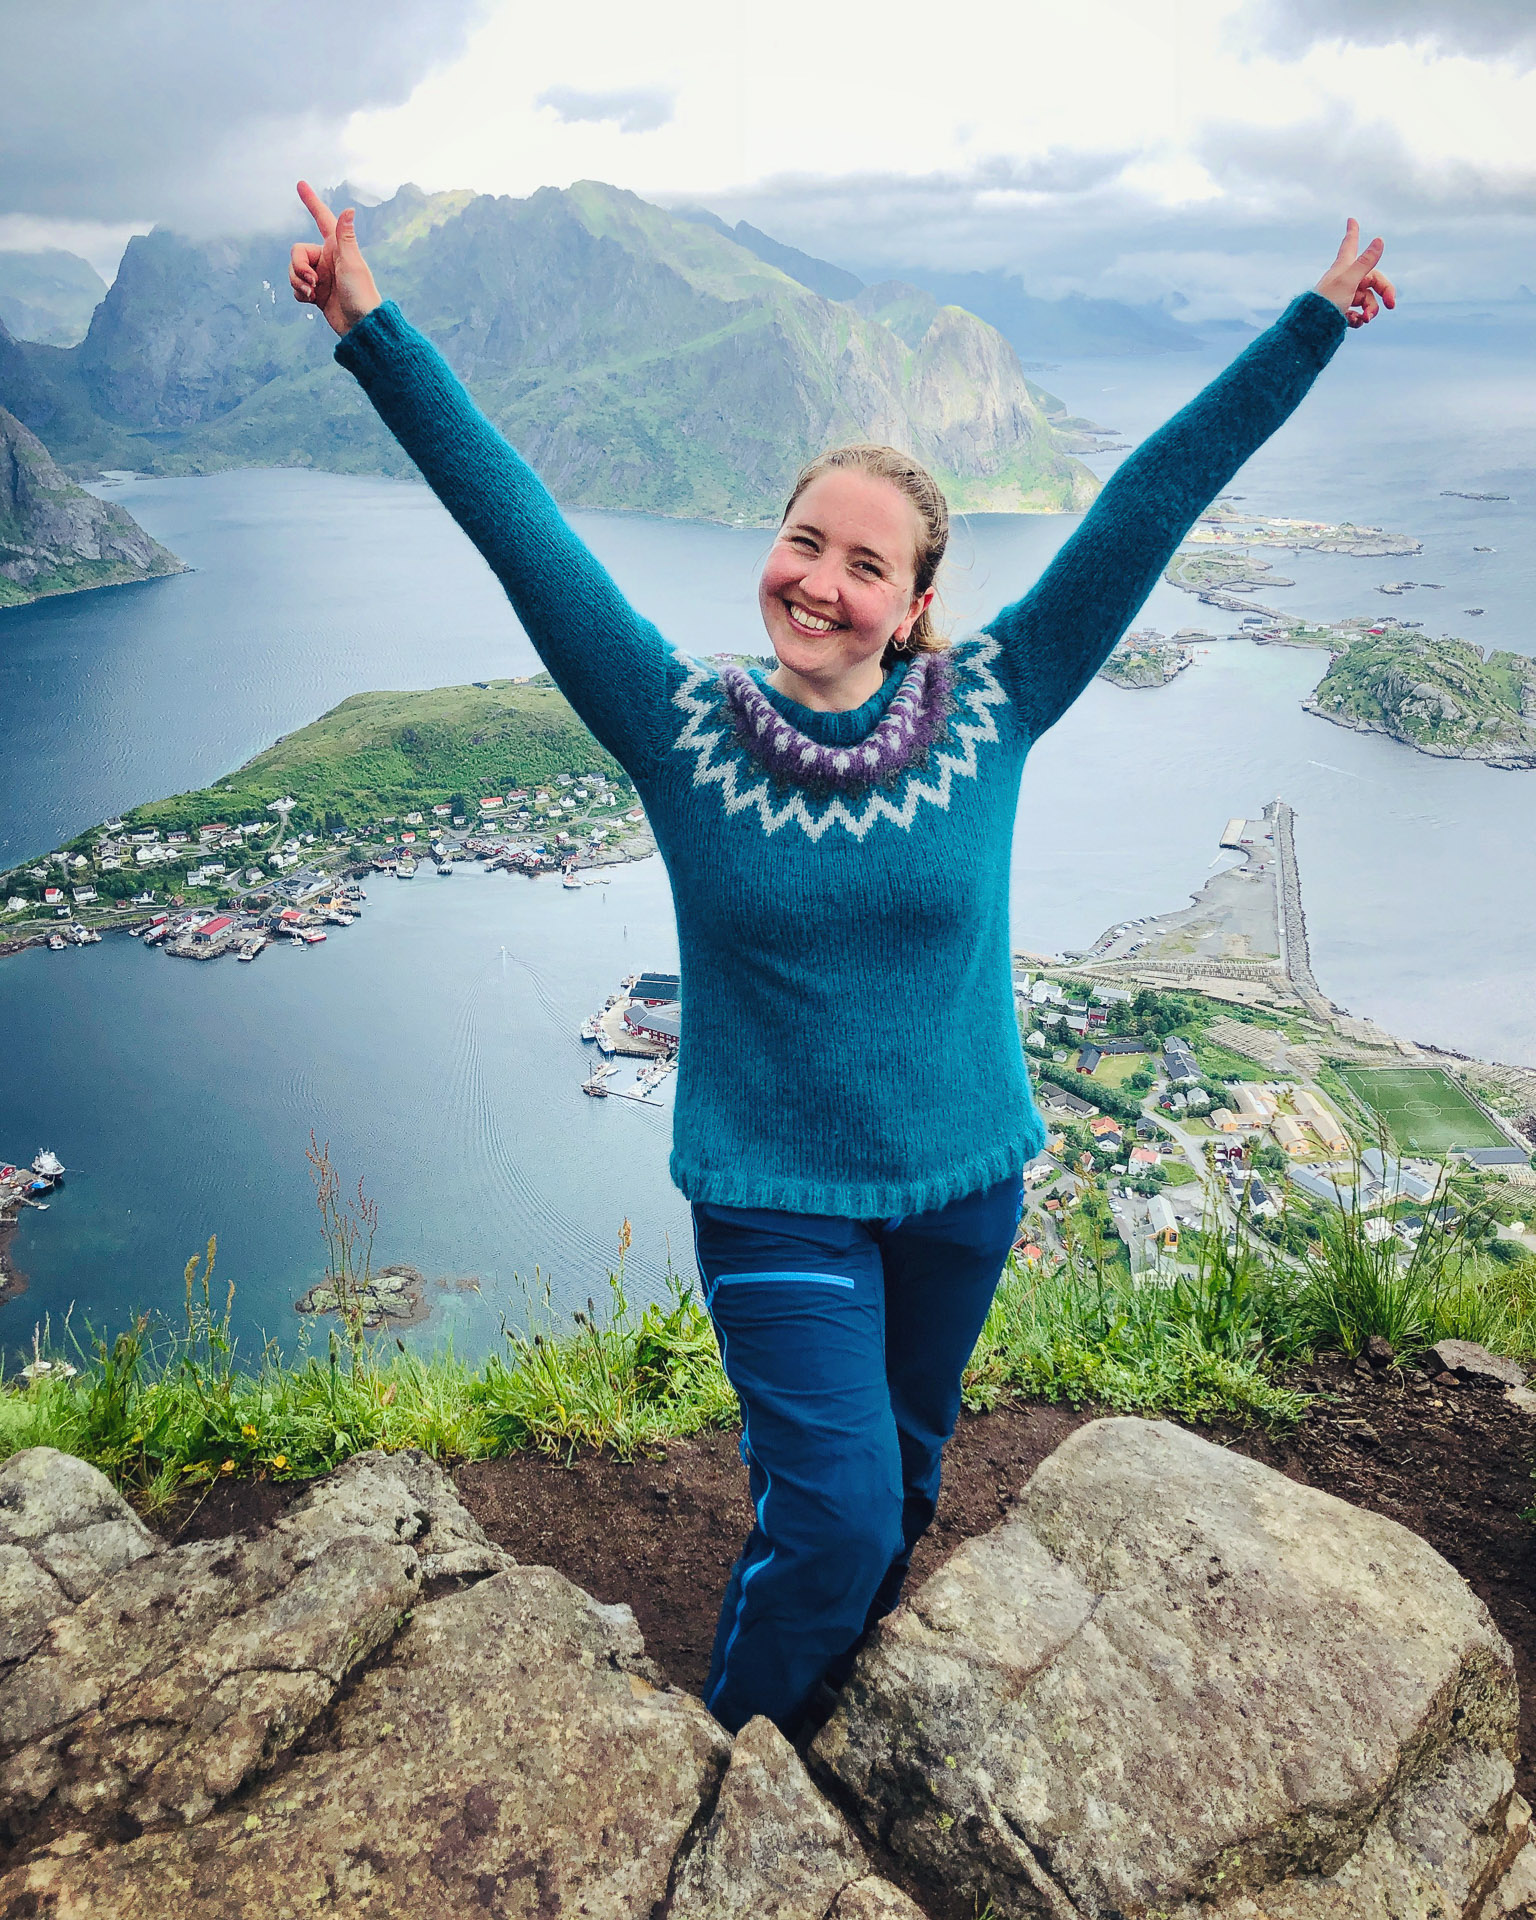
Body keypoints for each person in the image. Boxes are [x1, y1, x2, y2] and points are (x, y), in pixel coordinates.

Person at [290, 184, 1393, 1737]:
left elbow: (1147, 503)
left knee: (904, 1481)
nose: (820, 580)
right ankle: (744, 1770)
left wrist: (1309, 330)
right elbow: (518, 522)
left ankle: (824, 1690)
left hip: (965, 1187)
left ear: (916, 605)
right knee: (840, 1520)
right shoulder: (681, 728)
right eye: (803, 542)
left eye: (864, 566)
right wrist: (368, 331)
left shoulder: (994, 707)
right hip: (773, 1194)